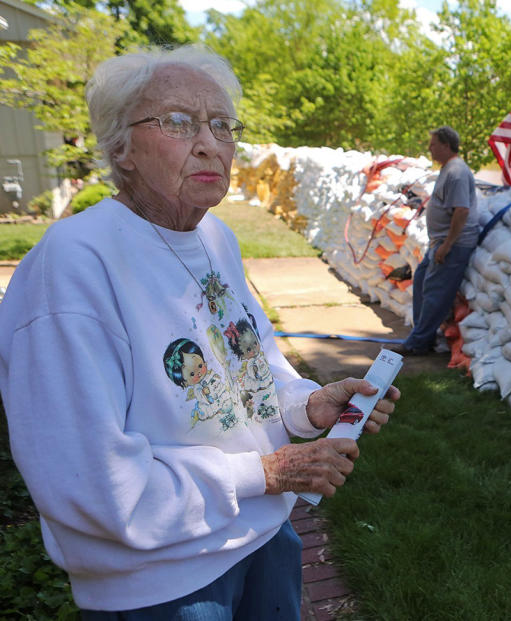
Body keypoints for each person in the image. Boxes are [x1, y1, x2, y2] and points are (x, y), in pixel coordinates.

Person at [0, 44, 399, 619]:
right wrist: (264, 472)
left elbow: (253, 359)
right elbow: (91, 480)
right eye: (179, 123)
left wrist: (306, 406)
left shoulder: (216, 239)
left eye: (221, 124)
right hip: (165, 581)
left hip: (263, 536)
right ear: (121, 147)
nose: (211, 142)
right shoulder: (73, 264)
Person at [393, 126, 480, 356]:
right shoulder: (447, 170)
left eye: (433, 144)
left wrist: (447, 245)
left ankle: (418, 343)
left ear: (446, 145)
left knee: (434, 293)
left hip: (453, 245)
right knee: (421, 280)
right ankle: (424, 336)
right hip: (439, 243)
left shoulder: (457, 172)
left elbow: (461, 211)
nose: (429, 148)